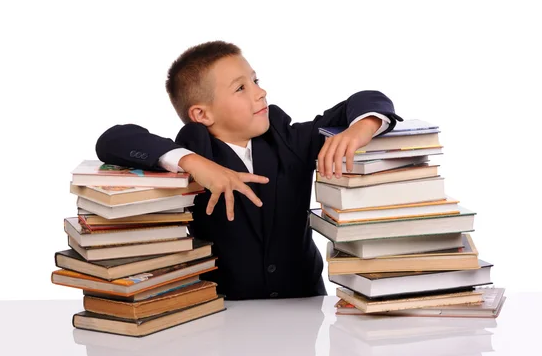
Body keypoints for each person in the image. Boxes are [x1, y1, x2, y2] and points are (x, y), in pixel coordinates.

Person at [95, 41, 402, 300]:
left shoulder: (289, 140)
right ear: (201, 114)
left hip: (304, 306)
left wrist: (361, 127)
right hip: (223, 310)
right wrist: (194, 163)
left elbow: (367, 99)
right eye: (241, 88)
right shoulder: (194, 150)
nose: (260, 92)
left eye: (255, 81)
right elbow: (114, 139)